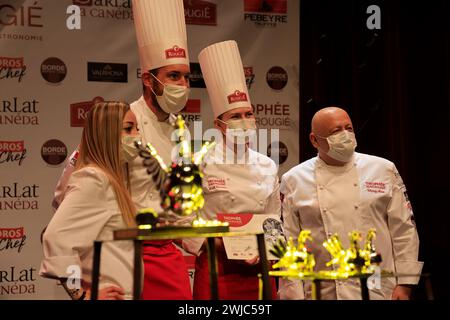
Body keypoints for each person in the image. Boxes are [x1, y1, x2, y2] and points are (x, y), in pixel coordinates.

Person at [50, 0, 193, 300]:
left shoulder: (182, 130)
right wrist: (82, 288)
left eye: (186, 76)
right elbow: (66, 195)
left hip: (168, 255)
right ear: (147, 79)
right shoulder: (121, 124)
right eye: (173, 76)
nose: (183, 84)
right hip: (129, 254)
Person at [279, 106, 423, 300]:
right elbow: (290, 243)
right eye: (336, 131)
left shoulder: (383, 169)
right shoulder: (294, 179)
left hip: (378, 286)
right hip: (323, 289)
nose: (345, 135)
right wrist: (293, 295)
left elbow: (403, 229)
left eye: (349, 128)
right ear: (314, 140)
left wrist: (405, 284)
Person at [182, 40, 281, 300]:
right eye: (235, 116)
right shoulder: (198, 162)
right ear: (219, 124)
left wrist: (267, 248)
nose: (245, 122)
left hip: (259, 270)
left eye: (248, 114)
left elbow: (273, 219)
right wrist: (213, 243)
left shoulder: (268, 166)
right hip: (217, 269)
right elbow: (184, 220)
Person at [40, 101, 140, 300]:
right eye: (128, 129)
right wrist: (81, 296)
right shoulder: (94, 179)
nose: (137, 136)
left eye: (137, 128)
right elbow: (55, 237)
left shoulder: (111, 179)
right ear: (106, 133)